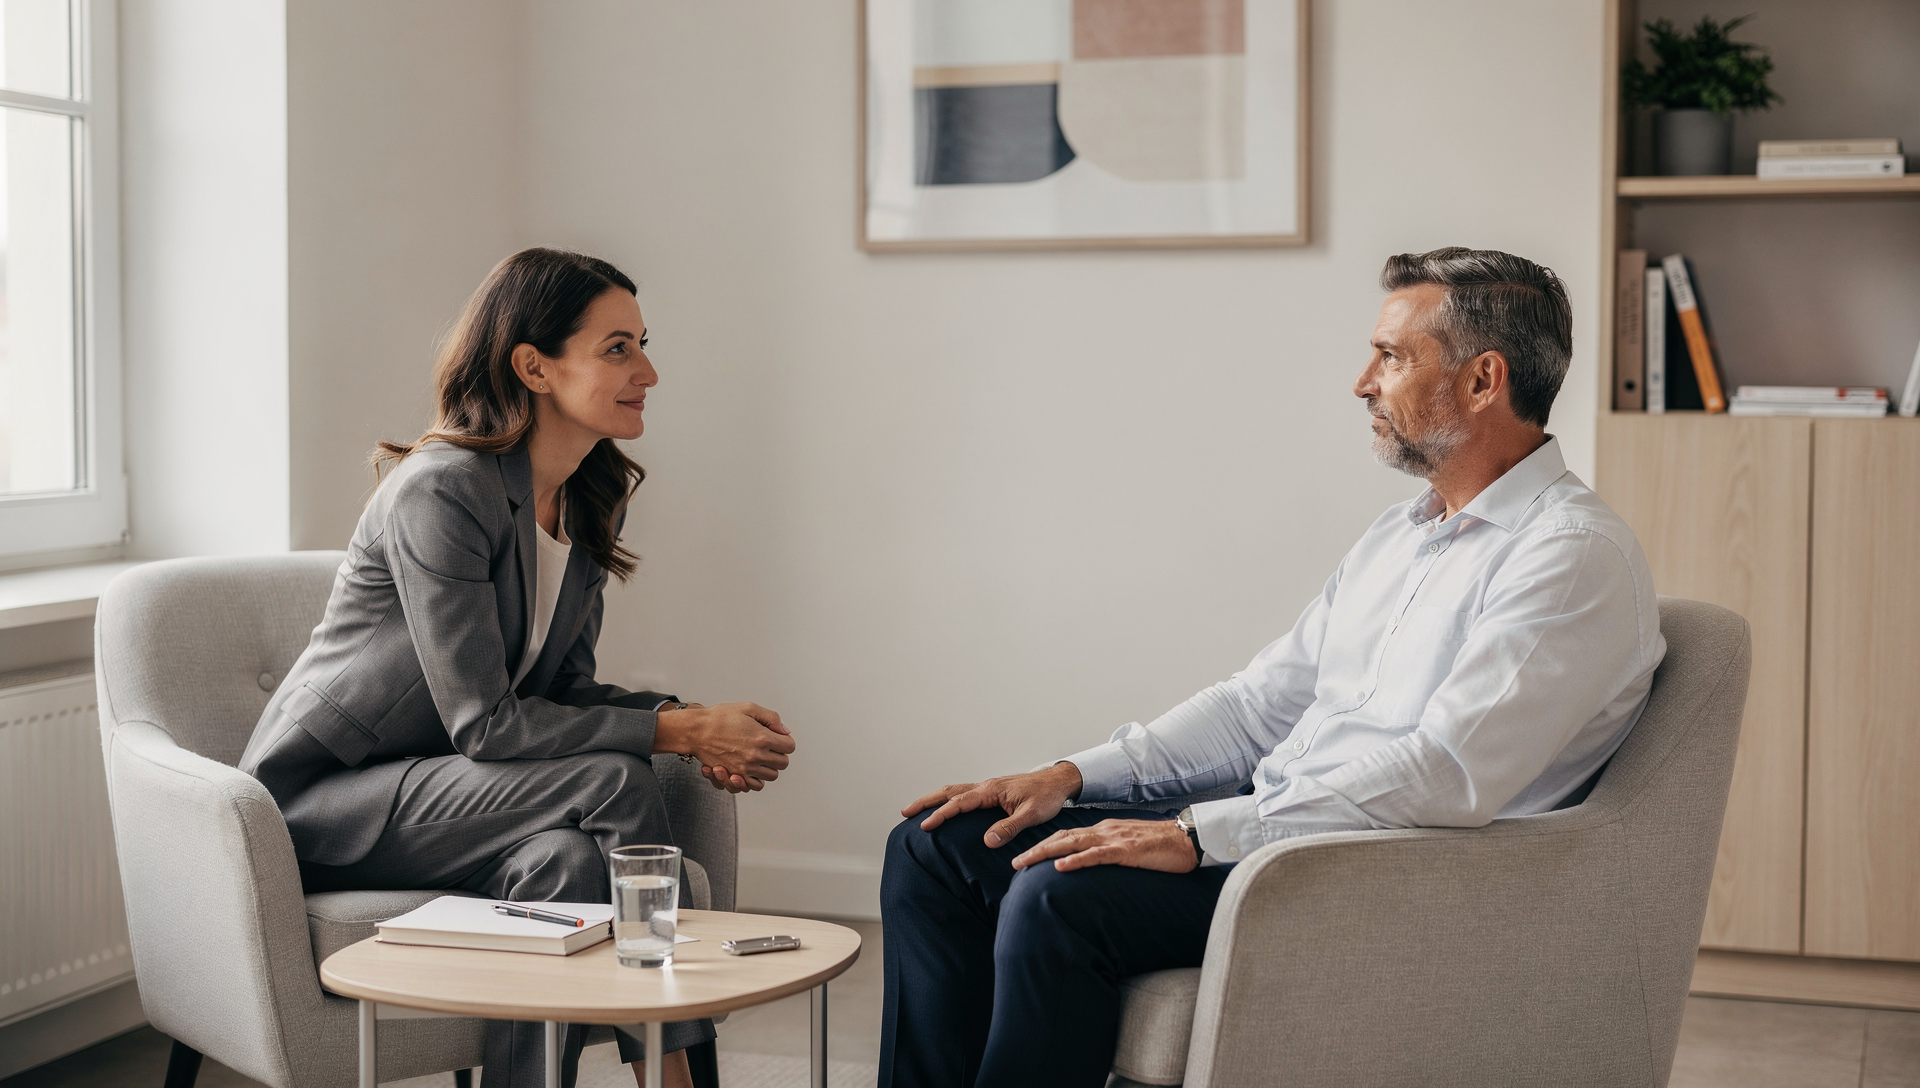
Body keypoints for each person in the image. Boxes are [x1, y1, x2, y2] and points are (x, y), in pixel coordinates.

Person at [879, 247, 1666, 1088]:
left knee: (1061, 898)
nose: (1362, 382)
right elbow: (1259, 707)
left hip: (1376, 873)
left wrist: (1200, 833)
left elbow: (1445, 773)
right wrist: (1073, 775)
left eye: (1392, 357)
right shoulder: (1401, 536)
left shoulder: (1569, 555)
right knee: (936, 849)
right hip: (1278, 833)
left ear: (1483, 381)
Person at [239, 247, 794, 1088]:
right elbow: (486, 722)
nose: (648, 370)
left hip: (455, 795)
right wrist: (677, 731)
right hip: (328, 803)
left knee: (565, 868)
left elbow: (561, 694)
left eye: (642, 343)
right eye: (617, 348)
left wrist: (692, 719)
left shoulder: (578, 497)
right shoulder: (442, 490)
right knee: (612, 781)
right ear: (534, 366)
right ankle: (677, 1080)